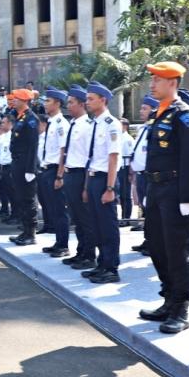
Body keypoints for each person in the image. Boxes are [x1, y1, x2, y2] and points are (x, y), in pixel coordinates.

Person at [136, 62, 189, 334]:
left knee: (177, 251)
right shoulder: (158, 114)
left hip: (175, 191)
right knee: (157, 246)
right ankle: (168, 299)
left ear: (172, 82)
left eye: (157, 80)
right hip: (156, 188)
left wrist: (188, 198)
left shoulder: (184, 116)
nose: (152, 84)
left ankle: (180, 308)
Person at [80, 81, 123, 284]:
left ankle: (112, 268)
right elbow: (91, 159)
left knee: (107, 226)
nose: (87, 102)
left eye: (90, 99)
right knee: (96, 225)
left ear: (103, 100)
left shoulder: (111, 124)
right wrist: (87, 186)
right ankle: (101, 264)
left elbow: (113, 157)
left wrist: (110, 187)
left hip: (106, 179)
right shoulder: (94, 123)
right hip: (95, 178)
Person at [54, 85, 96, 266]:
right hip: (70, 174)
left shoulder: (87, 126)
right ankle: (81, 251)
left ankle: (89, 255)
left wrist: (86, 185)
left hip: (81, 175)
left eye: (71, 103)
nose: (67, 106)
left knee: (85, 218)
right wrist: (61, 174)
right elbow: (65, 152)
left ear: (81, 104)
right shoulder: (72, 124)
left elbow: (89, 157)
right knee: (76, 217)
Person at [39, 87, 70, 253]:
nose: (45, 104)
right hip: (47, 169)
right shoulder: (51, 122)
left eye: (48, 101)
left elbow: (63, 151)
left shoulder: (61, 124)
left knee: (59, 209)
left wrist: (59, 175)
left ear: (57, 103)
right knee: (52, 208)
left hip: (54, 170)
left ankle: (63, 244)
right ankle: (58, 241)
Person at [8, 89, 40, 246]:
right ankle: (24, 230)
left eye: (16, 99)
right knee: (20, 197)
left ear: (24, 101)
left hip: (25, 164)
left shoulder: (31, 119)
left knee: (27, 199)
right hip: (17, 163)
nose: (13, 101)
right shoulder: (20, 118)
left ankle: (30, 233)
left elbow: (33, 146)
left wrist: (30, 169)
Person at [129, 96, 158, 255]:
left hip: (150, 175)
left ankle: (154, 242)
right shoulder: (142, 129)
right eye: (141, 108)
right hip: (140, 175)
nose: (141, 111)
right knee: (145, 210)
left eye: (145, 108)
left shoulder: (155, 129)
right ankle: (148, 240)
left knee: (152, 211)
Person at [0, 115, 15, 222]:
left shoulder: (12, 135)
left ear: (10, 124)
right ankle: (9, 212)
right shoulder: (4, 137)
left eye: (3, 123)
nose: (1, 125)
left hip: (10, 166)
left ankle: (15, 214)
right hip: (2, 165)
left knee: (12, 192)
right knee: (5, 190)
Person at [118, 118, 135, 227]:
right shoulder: (119, 137)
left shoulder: (127, 139)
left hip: (125, 167)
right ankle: (123, 216)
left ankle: (126, 217)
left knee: (125, 193)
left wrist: (130, 173)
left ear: (125, 126)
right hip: (120, 167)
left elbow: (130, 156)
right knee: (121, 193)